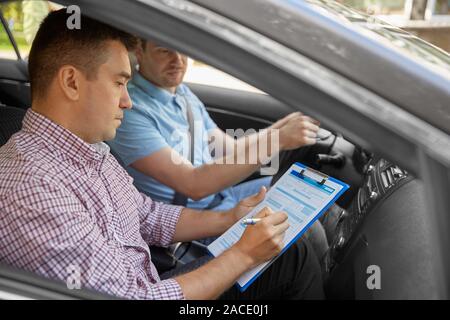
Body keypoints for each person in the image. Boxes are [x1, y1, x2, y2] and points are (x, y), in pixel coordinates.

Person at [0, 9, 323, 300]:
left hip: (153, 282)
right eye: (119, 83)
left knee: (293, 253)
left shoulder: (89, 151)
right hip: (148, 293)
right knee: (295, 259)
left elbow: (148, 216)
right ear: (72, 82)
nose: (127, 101)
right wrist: (242, 255)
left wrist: (231, 218)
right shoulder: (34, 188)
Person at [107, 40, 321, 212]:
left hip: (225, 196)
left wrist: (284, 127)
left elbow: (228, 149)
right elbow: (194, 185)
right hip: (195, 222)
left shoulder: (182, 94)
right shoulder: (131, 111)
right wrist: (279, 139)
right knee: (304, 231)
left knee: (310, 195)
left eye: (183, 50)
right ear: (139, 51)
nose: (178, 61)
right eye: (165, 51)